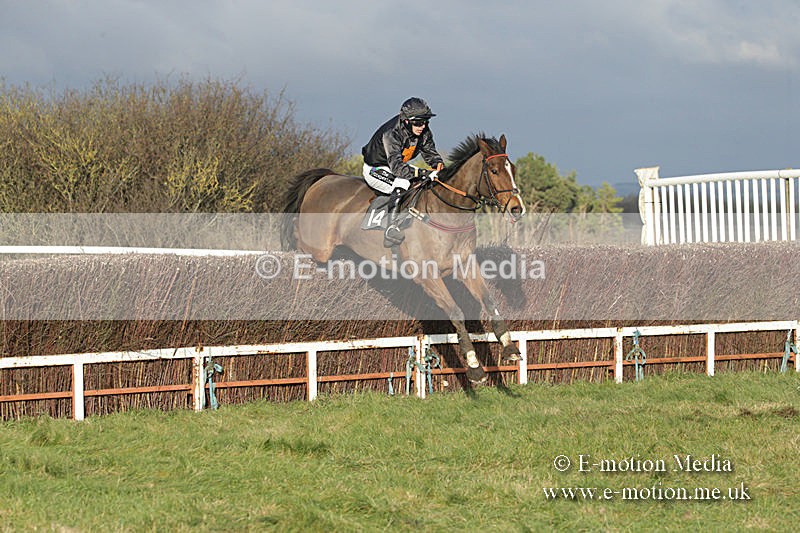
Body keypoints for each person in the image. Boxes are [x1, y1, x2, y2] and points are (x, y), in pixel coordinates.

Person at [362, 97, 445, 247]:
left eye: (426, 121)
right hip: (376, 168)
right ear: (406, 121)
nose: (423, 126)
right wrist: (424, 173)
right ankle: (391, 227)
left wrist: (438, 164)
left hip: (395, 166)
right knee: (403, 182)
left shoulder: (423, 131)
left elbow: (430, 153)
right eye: (418, 122)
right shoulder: (391, 134)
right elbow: (398, 168)